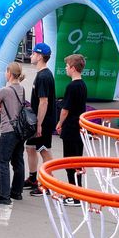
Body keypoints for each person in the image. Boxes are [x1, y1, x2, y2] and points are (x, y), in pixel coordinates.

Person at [0, 62, 27, 205]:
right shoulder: (22, 89)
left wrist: (0, 109)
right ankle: (16, 191)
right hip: (20, 130)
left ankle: (4, 195)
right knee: (18, 161)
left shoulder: (4, 90)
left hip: (8, 129)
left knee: (3, 162)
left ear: (9, 73)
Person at [24, 43, 58, 197]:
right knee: (30, 147)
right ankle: (33, 178)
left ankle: (49, 184)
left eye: (33, 54)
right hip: (38, 120)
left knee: (44, 150)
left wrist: (39, 124)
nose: (31, 56)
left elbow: (44, 102)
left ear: (39, 56)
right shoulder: (41, 74)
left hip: (43, 120)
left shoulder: (44, 76)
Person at [57, 54, 88, 205]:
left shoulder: (72, 86)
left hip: (71, 127)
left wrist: (59, 123)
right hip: (79, 127)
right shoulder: (83, 85)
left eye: (67, 66)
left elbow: (65, 109)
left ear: (73, 68)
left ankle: (74, 195)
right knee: (76, 160)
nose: (65, 69)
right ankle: (75, 191)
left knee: (69, 161)